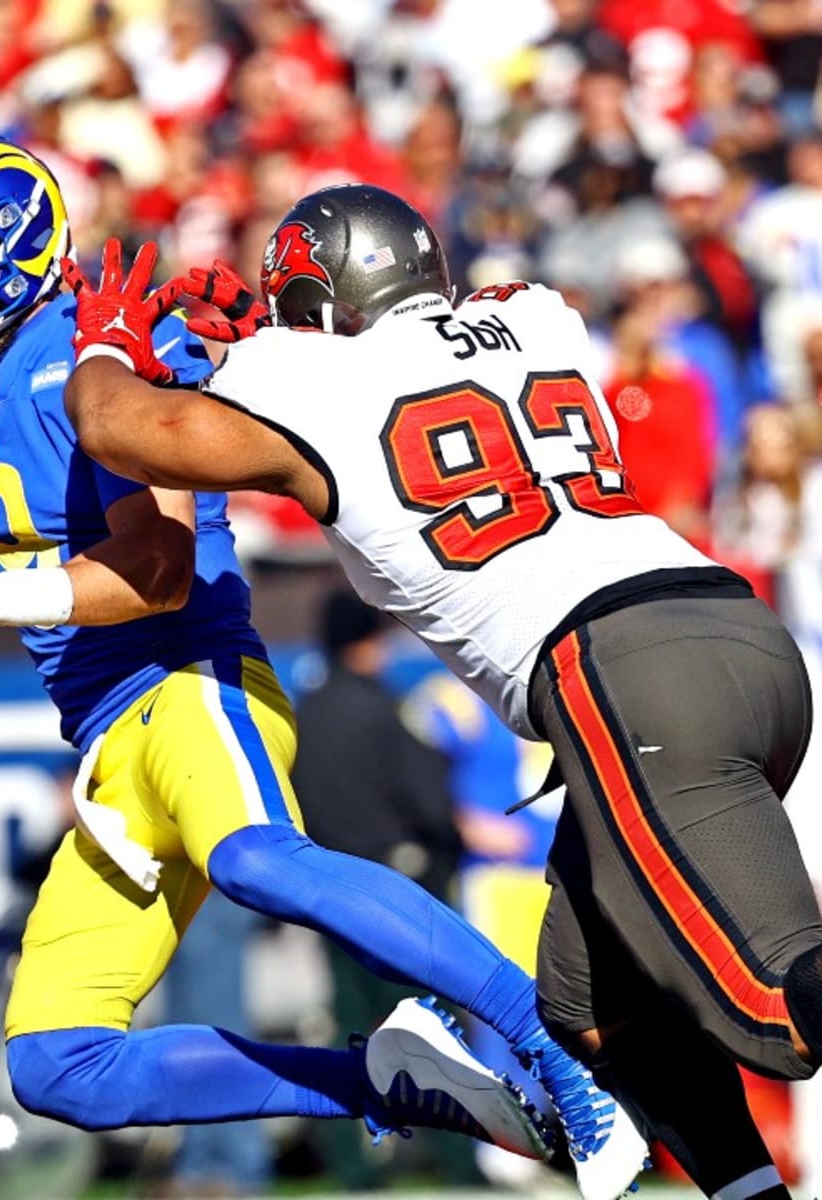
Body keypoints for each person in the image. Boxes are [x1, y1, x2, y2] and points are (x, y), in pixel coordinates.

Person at [0, 131, 643, 1199]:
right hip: (107, 739)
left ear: (15, 232)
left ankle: (556, 1042)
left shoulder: (100, 352)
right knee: (57, 1065)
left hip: (191, 675)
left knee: (255, 858)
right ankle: (388, 1082)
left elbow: (154, 571)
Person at [60, 182, 822, 1200]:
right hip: (731, 631)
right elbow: (508, 317)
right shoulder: (538, 321)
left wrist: (106, 342)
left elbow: (123, 428)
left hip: (623, 670)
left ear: (320, 308)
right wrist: (273, 340)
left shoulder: (301, 373)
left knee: (778, 1011)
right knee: (590, 1003)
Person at [291, 587, 466, 1191]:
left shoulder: (303, 715)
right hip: (398, 891)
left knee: (349, 1029)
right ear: (366, 641)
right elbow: (430, 803)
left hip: (327, 890)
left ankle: (352, 1161)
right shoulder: (385, 711)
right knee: (429, 1025)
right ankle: (458, 1160)